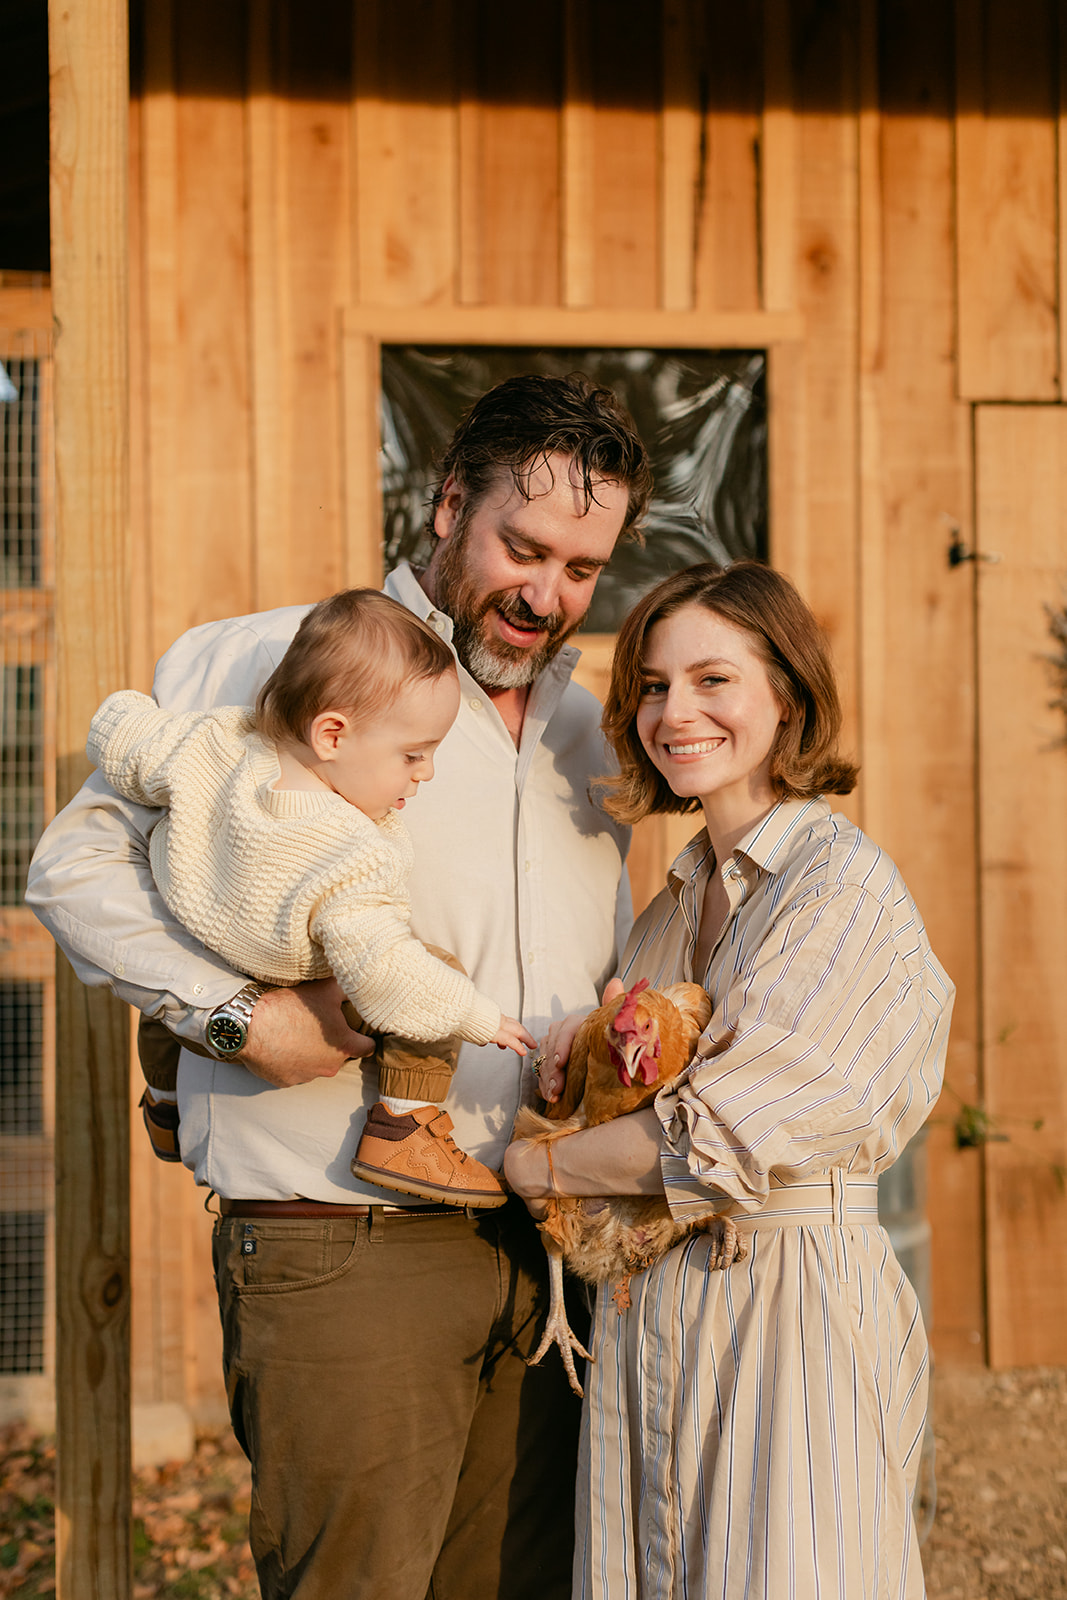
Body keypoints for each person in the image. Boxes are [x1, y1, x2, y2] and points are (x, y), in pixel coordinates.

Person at [27, 372, 652, 1600]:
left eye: (582, 568)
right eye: (520, 548)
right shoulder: (277, 659)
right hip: (341, 1242)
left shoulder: (593, 729)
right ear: (443, 504)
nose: (545, 595)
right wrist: (230, 1019)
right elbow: (74, 864)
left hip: (541, 1239)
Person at [506, 560, 954, 1600]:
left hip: (787, 1302)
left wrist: (538, 1164)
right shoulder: (668, 905)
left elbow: (707, 1139)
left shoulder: (836, 885)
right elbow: (641, 1092)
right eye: (654, 686)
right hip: (656, 1302)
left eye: (713, 680)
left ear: (786, 695)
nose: (675, 712)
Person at [85, 587, 537, 1208]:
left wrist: (118, 713)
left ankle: (164, 1100)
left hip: (201, 953)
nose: (425, 773)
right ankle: (403, 1128)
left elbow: (130, 746)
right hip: (285, 976)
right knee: (431, 975)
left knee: (165, 996)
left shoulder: (217, 742)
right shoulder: (350, 854)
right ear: (332, 734)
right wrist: (477, 1015)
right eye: (414, 754)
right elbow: (388, 977)